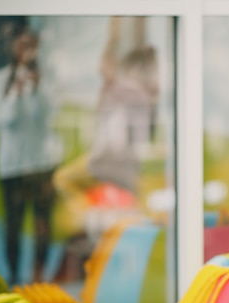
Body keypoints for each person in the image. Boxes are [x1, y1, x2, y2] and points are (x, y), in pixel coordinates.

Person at [52, 16, 158, 238]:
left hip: (108, 162)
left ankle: (90, 217)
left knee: (62, 179)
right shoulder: (142, 96)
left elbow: (119, 139)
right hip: (124, 165)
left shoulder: (123, 90)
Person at [0, 25, 62, 285]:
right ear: (13, 48)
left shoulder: (47, 79)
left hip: (41, 162)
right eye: (21, 45)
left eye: (30, 45)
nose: (26, 51)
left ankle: (40, 277)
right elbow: (4, 121)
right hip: (12, 164)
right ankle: (13, 277)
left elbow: (47, 117)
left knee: (42, 223)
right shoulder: (1, 80)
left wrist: (35, 89)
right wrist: (16, 92)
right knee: (14, 226)